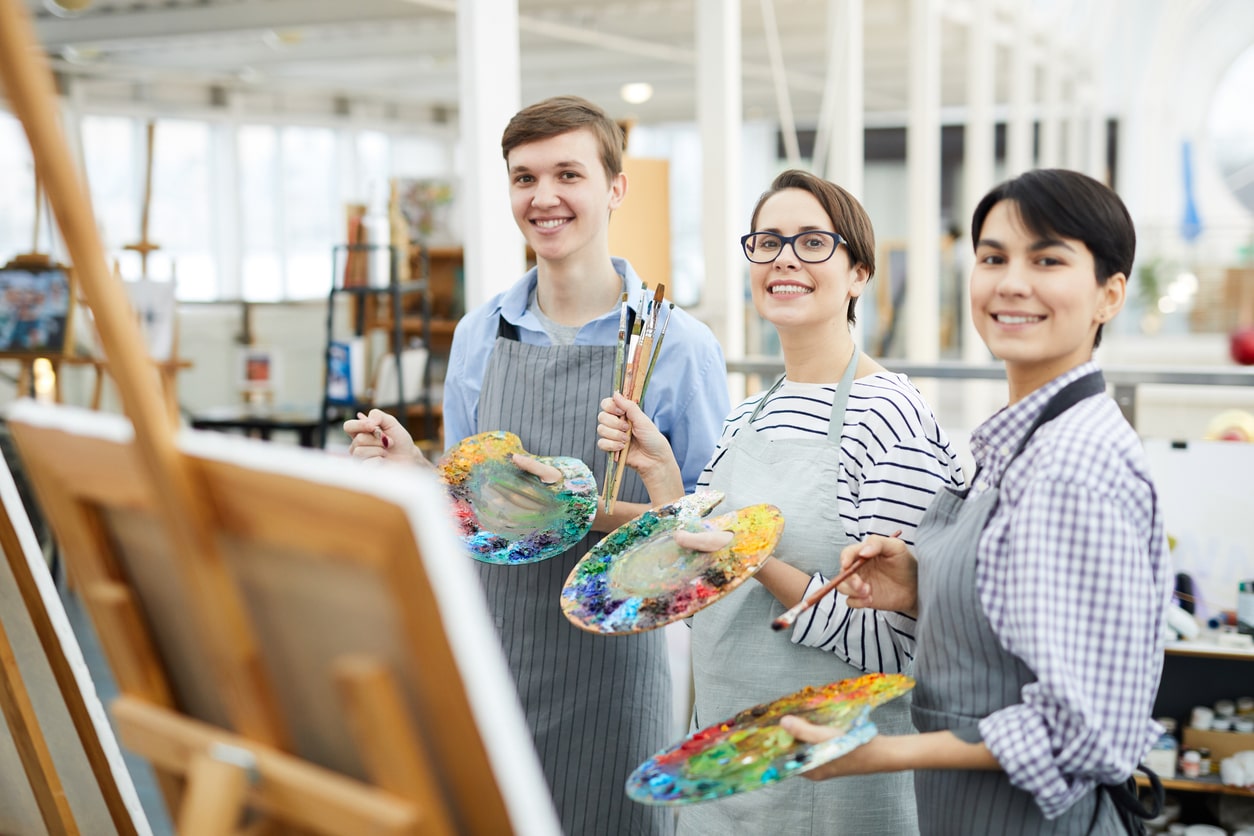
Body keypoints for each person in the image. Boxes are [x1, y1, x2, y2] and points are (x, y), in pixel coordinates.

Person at [345, 95, 729, 836]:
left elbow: (707, 542)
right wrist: (416, 472)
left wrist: (584, 506)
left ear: (615, 188)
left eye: (568, 175)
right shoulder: (478, 335)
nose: (544, 198)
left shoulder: (678, 346)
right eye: (524, 178)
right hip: (492, 654)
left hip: (613, 674)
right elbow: (472, 510)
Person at [781, 169, 1171, 835]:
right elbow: (1023, 629)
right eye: (992, 258)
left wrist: (878, 752)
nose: (1011, 282)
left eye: (1047, 259)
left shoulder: (1073, 463)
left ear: (1110, 294)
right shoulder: (1020, 444)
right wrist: (921, 583)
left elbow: (1087, 733)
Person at [597, 169, 965, 835]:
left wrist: (754, 557)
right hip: (721, 777)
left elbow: (900, 648)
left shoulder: (892, 418)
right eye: (768, 241)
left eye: (812, 243)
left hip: (829, 790)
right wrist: (664, 481)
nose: (785, 258)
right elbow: (707, 608)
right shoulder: (746, 418)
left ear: (859, 273)